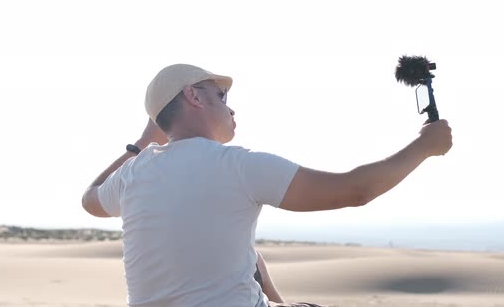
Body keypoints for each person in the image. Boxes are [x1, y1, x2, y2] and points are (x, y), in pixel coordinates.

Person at [82, 64, 453, 307]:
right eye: (220, 96)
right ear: (193, 97)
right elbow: (354, 190)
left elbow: (90, 200)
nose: (231, 109)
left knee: (245, 250)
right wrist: (425, 145)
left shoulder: (135, 172)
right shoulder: (237, 166)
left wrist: (143, 141)